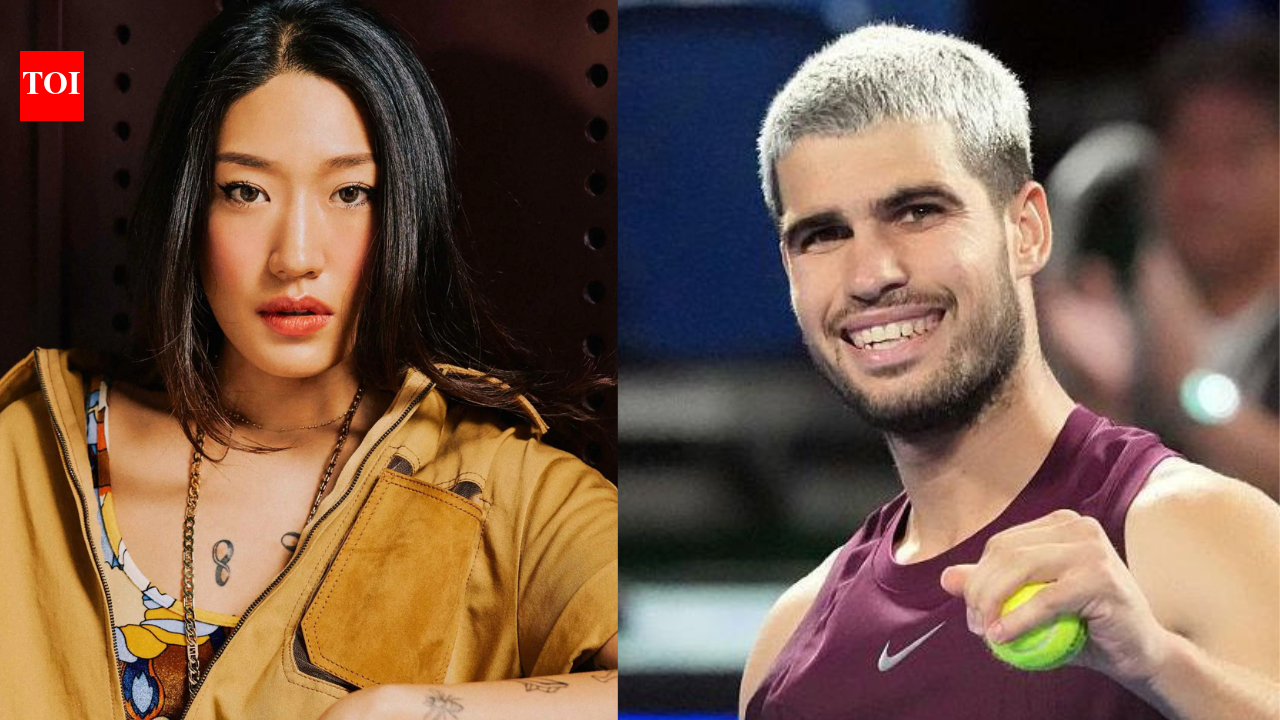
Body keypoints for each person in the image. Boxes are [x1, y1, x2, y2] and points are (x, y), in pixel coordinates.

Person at [0, 1, 617, 719]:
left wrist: (413, 712)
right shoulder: (26, 460)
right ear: (187, 210)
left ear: (406, 215)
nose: (295, 256)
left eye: (351, 193)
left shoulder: (509, 495)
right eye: (246, 191)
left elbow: (692, 680)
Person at [740, 24, 1278, 720]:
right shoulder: (786, 646)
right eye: (823, 235)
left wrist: (1159, 665)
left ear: (1027, 230)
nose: (871, 274)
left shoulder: (1197, 530)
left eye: (918, 212)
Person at [1041, 25, 1279, 499]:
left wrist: (1191, 391)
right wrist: (1098, 401)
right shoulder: (1116, 305)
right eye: (1187, 153)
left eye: (1239, 155)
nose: (1208, 186)